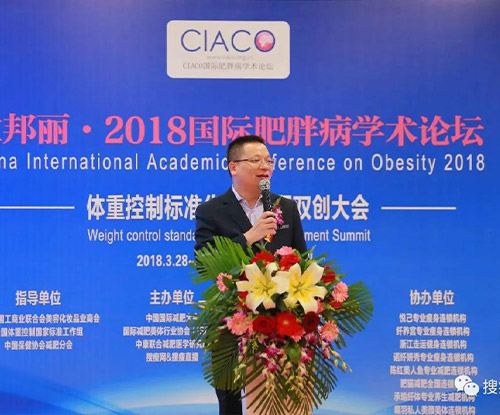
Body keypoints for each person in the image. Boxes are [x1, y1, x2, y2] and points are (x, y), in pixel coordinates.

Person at [194, 135, 307, 415]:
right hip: (231, 322)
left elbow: (302, 262)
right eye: (255, 160)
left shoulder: (285, 208)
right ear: (233, 167)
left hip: (280, 322)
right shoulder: (210, 211)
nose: (265, 166)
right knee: (231, 403)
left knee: (282, 400)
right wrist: (249, 237)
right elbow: (204, 263)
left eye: (269, 160)